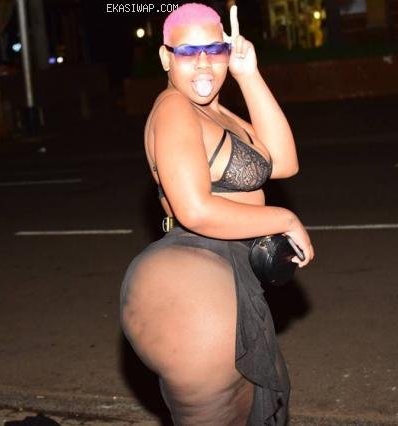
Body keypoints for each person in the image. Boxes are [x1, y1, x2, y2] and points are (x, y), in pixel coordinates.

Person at [120, 3, 314, 425]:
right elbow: (194, 210)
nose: (204, 63)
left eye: (214, 50)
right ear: (166, 57)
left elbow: (283, 161)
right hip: (193, 276)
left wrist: (249, 74)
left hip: (230, 271)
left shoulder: (216, 111)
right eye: (188, 52)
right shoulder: (174, 108)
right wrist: (284, 219)